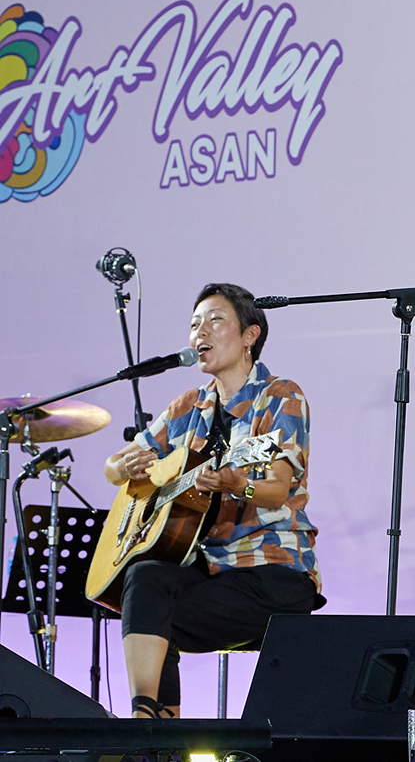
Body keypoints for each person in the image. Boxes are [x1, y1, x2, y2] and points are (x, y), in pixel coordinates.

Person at [104, 283, 322, 718]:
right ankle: (150, 723)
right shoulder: (188, 406)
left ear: (249, 336)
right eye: (193, 324)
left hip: (272, 574)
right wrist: (124, 468)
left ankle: (154, 728)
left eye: (214, 319)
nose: (199, 332)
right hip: (214, 570)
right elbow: (113, 466)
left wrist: (231, 483)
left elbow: (277, 487)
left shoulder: (280, 395)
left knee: (155, 608)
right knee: (147, 580)